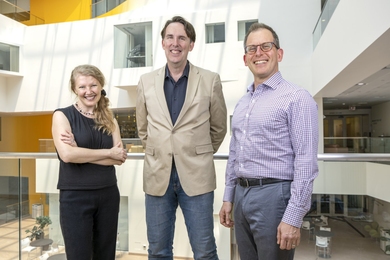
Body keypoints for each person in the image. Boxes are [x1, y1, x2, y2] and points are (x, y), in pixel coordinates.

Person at [219, 22, 319, 260]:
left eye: (266, 46)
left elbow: (306, 162)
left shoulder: (297, 98)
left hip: (275, 196)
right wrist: (228, 197)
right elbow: (235, 153)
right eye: (252, 49)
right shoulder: (243, 103)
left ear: (279, 53)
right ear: (245, 59)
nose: (259, 53)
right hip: (242, 196)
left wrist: (293, 217)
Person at [136, 16, 227, 260]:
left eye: (182, 38)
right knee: (157, 250)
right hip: (157, 175)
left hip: (197, 176)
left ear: (191, 44)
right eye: (170, 37)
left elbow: (219, 127)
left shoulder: (210, 80)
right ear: (163, 43)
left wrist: (198, 151)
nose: (175, 43)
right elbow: (143, 129)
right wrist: (162, 150)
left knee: (205, 250)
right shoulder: (145, 82)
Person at [52, 64, 127, 260]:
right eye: (82, 87)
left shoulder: (110, 119)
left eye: (93, 85)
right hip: (75, 198)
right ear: (74, 89)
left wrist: (80, 151)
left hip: (108, 195)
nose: (88, 91)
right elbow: (67, 155)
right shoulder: (62, 115)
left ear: (101, 86)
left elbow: (119, 158)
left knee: (105, 255)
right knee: (79, 255)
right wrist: (107, 153)